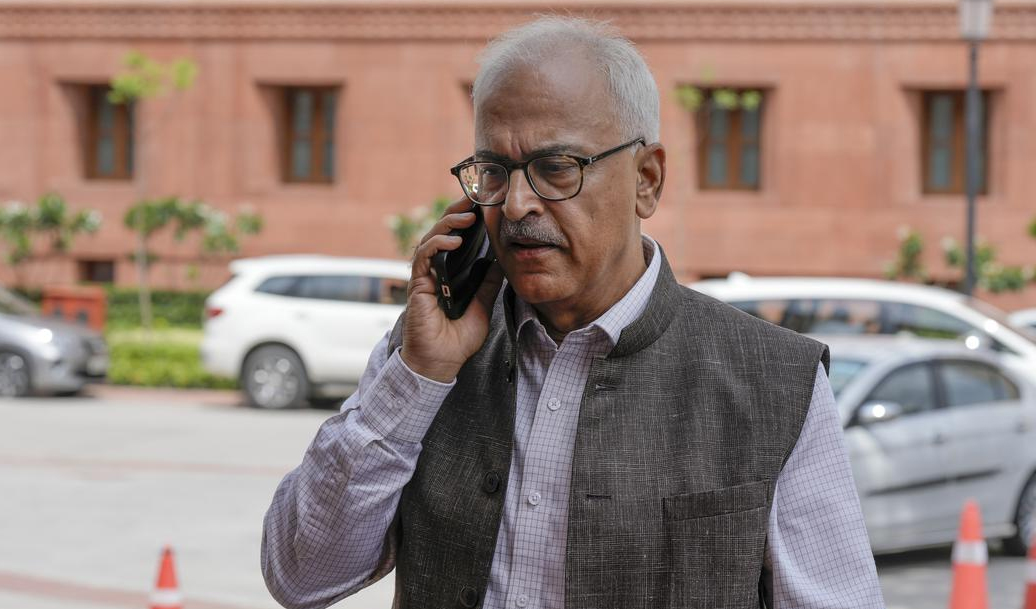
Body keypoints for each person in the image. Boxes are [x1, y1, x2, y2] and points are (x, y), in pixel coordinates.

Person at [261, 16, 885, 609]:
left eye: (556, 168)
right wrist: (419, 376)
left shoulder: (775, 381)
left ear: (646, 179)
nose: (515, 206)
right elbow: (301, 577)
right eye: (494, 172)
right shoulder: (431, 353)